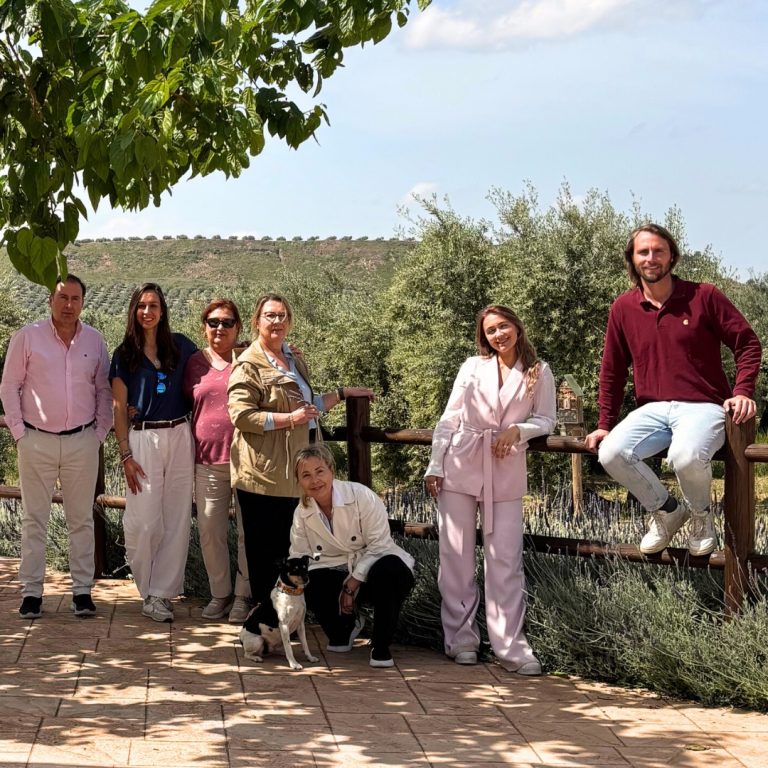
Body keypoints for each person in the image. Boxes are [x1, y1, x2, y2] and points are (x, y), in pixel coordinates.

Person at [584, 224, 761, 557]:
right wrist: (605, 422)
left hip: (703, 406)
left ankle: (701, 517)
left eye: (658, 251)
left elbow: (747, 342)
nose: (651, 258)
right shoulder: (623, 308)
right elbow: (612, 370)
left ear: (672, 256)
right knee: (610, 452)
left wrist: (743, 390)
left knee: (685, 456)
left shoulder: (704, 296)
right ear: (632, 259)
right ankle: (666, 511)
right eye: (643, 252)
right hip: (652, 409)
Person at [228, 292, 373, 627]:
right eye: (269, 315)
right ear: (256, 321)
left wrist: (343, 394)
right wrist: (288, 419)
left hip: (295, 475)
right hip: (263, 475)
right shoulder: (249, 364)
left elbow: (309, 410)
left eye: (281, 315)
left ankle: (288, 621)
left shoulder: (293, 360)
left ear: (289, 321)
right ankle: (266, 626)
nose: (276, 321)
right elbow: (241, 415)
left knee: (294, 549)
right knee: (266, 556)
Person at [425, 305, 556, 674]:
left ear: (517, 326)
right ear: (484, 337)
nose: (499, 335)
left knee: (505, 562)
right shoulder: (472, 367)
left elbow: (547, 419)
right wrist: (435, 465)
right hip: (461, 462)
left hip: (506, 465)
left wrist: (520, 430)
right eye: (491, 330)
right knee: (456, 557)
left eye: (504, 326)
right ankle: (461, 640)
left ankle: (511, 648)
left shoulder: (538, 371)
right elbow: (449, 418)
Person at [1, 275, 112, 620]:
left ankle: (82, 592)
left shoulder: (95, 340)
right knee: (35, 519)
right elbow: (9, 386)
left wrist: (99, 433)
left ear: (83, 302)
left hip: (82, 441)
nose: (68, 305)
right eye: (62, 297)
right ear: (50, 299)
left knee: (81, 520)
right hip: (36, 440)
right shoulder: (28, 336)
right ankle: (32, 593)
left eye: (75, 298)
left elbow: (104, 390)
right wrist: (20, 433)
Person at [110, 283, 197, 622]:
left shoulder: (182, 346)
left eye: (154, 306)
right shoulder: (124, 355)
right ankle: (145, 587)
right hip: (143, 439)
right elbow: (119, 409)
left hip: (179, 433)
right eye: (142, 306)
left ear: (163, 310)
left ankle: (160, 594)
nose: (148, 312)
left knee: (176, 518)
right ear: (134, 310)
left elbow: (217, 361)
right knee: (143, 522)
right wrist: (125, 455)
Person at [289, 444, 415, 668]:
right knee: (310, 581)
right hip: (336, 570)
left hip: (377, 565)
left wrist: (352, 583)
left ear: (332, 471)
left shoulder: (361, 495)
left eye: (320, 471)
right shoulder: (302, 512)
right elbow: (298, 555)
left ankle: (380, 645)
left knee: (390, 571)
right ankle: (345, 628)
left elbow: (379, 544)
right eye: (306, 475)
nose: (315, 480)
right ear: (298, 481)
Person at [183, 299, 251, 623]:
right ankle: (220, 592)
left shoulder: (250, 359)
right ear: (204, 327)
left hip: (247, 459)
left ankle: (242, 596)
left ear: (238, 327)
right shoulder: (193, 363)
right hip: (206, 460)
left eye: (227, 322)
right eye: (213, 322)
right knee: (210, 529)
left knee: (247, 534)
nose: (219, 328)